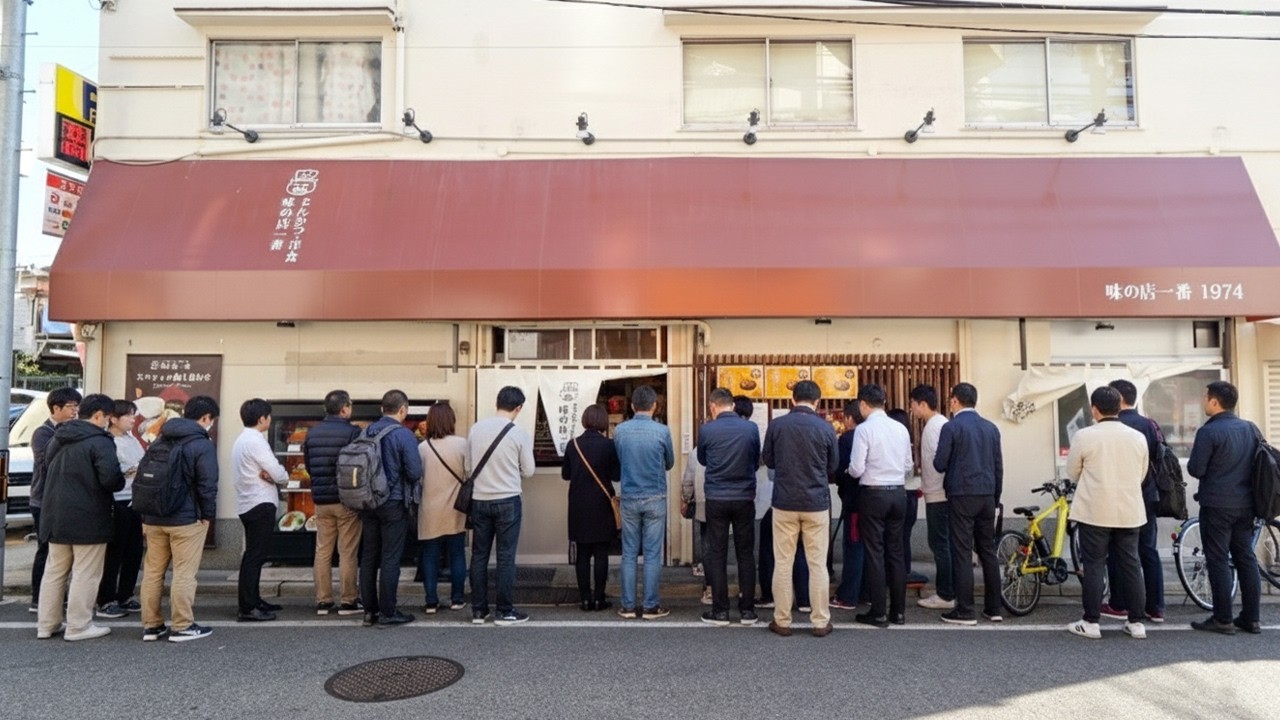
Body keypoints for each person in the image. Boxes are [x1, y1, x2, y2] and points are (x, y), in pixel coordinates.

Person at [35, 394, 125, 641]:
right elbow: (110, 479)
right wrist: (122, 478)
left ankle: (46, 624)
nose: (108, 422)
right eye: (107, 417)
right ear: (98, 415)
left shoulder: (58, 437)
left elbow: (46, 468)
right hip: (89, 516)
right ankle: (78, 625)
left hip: (54, 514)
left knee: (54, 571)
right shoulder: (101, 441)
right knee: (86, 572)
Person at [1064, 386, 1150, 640]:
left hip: (1095, 509)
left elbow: (1073, 471)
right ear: (1120, 406)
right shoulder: (1136, 437)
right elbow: (1142, 473)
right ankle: (1137, 622)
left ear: (1094, 409)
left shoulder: (1085, 436)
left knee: (1093, 565)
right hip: (1129, 509)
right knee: (1132, 564)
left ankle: (1091, 622)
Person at [762, 380, 839, 637]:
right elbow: (833, 466)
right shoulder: (826, 428)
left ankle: (782, 620)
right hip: (816, 502)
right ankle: (820, 621)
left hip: (784, 502)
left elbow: (769, 460)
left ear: (792, 400)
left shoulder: (777, 425)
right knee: (817, 564)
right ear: (817, 402)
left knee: (783, 563)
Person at [139, 395, 220, 643]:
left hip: (153, 517)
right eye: (211, 420)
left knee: (153, 572)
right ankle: (182, 625)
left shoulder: (160, 438)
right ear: (206, 418)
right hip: (185, 519)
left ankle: (151, 625)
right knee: (184, 572)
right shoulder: (201, 444)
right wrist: (207, 515)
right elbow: (207, 485)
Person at [1187, 380, 1262, 635]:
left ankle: (1223, 618)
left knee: (1218, 559)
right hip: (1247, 504)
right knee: (1246, 558)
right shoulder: (1250, 428)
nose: (1203, 401)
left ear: (1214, 401)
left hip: (1217, 504)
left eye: (1205, 397)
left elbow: (1196, 469)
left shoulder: (1209, 432)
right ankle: (1251, 618)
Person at [933, 382, 1004, 626]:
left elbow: (940, 464)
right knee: (987, 550)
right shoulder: (991, 428)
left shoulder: (951, 427)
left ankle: (965, 609)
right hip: (987, 495)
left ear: (954, 401)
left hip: (962, 494)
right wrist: (995, 498)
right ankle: (994, 607)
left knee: (962, 551)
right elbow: (998, 467)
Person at [468, 386, 536, 626]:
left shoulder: (476, 429)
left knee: (479, 555)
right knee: (505, 556)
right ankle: (505, 610)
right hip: (507, 499)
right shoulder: (519, 434)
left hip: (479, 499)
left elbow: (468, 466)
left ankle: (478, 610)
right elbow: (528, 470)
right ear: (518, 408)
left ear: (497, 403)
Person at [1100, 379, 1166, 623]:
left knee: (1118, 552)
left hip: (1118, 497)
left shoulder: (1111, 425)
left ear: (1116, 398)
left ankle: (1120, 604)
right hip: (1147, 495)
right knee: (1148, 551)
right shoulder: (1149, 424)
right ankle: (1156, 607)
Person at [696, 388, 761, 627]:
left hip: (717, 498)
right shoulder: (751, 428)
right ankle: (747, 611)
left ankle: (720, 611)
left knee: (717, 553)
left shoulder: (706, 430)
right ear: (732, 405)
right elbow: (755, 461)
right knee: (745, 553)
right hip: (744, 497)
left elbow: (702, 459)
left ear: (713, 406)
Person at [359, 389, 423, 627]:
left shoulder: (365, 431)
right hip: (393, 502)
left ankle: (369, 612)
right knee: (390, 557)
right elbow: (415, 472)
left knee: (368, 557)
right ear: (403, 409)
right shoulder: (403, 435)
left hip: (366, 502)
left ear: (381, 409)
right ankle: (388, 612)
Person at [849, 384, 911, 628]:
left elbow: (856, 469)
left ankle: (878, 612)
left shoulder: (864, 430)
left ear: (864, 404)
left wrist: (848, 471)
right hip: (898, 493)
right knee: (895, 552)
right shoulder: (900, 429)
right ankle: (899, 612)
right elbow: (908, 464)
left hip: (873, 494)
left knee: (875, 553)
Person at [614, 385, 675, 620]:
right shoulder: (662, 431)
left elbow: (619, 459)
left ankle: (628, 606)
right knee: (652, 553)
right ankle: (650, 606)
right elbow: (669, 462)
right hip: (655, 497)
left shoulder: (620, 430)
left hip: (629, 496)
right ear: (654, 406)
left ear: (631, 406)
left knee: (629, 553)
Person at [303, 389, 363, 616]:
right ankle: (348, 601)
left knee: (323, 551)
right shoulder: (353, 432)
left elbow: (308, 466)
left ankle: (323, 601)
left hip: (320, 499)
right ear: (344, 408)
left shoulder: (312, 433)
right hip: (345, 500)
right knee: (347, 551)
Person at [233, 398, 289, 622]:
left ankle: (254, 600)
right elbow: (277, 472)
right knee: (255, 556)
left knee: (254, 555)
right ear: (261, 419)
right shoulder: (255, 441)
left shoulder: (241, 440)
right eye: (269, 416)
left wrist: (270, 474)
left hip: (248, 502)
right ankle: (248, 607)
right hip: (259, 503)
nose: (270, 419)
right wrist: (280, 477)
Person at [561, 404, 620, 611]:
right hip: (602, 504)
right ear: (603, 422)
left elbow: (566, 475)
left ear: (585, 420)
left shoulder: (573, 444)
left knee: (583, 554)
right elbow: (616, 475)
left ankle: (585, 599)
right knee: (601, 553)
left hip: (578, 504)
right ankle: (599, 597)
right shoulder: (609, 446)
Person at [28, 387, 82, 613]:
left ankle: (58, 595)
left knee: (61, 550)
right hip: (44, 500)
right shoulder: (43, 433)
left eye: (77, 407)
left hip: (65, 499)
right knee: (45, 548)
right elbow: (48, 462)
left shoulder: (71, 429)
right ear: (56, 408)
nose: (75, 412)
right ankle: (38, 598)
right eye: (71, 407)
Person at [94, 400, 146, 619]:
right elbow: (106, 473)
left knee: (134, 551)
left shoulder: (132, 439)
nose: (133, 420)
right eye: (128, 416)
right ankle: (106, 599)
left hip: (136, 500)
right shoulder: (108, 441)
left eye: (134, 416)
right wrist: (128, 472)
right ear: (113, 418)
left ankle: (125, 595)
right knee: (114, 552)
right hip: (117, 500)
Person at [418, 403, 470, 615]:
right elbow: (469, 473)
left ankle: (431, 601)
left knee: (430, 555)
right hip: (455, 507)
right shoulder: (462, 444)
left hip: (429, 508)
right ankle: (457, 599)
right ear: (451, 421)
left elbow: (417, 478)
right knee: (457, 553)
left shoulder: (422, 448)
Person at [910, 385, 954, 611]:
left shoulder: (936, 427)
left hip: (940, 495)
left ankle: (946, 594)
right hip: (937, 493)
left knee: (940, 544)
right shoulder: (940, 425)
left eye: (913, 404)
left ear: (923, 404)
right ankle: (949, 591)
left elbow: (941, 463)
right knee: (943, 543)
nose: (912, 408)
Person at [889, 408, 928, 586]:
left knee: (896, 536)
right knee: (904, 535)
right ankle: (904, 570)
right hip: (911, 494)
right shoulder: (910, 442)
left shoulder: (894, 442)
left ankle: (898, 572)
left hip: (900, 492)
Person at [831, 401, 864, 610]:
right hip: (878, 499)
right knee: (872, 547)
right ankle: (866, 592)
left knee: (854, 547)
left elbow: (840, 470)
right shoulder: (881, 432)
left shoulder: (848, 438)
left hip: (854, 501)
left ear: (850, 418)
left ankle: (848, 595)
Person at [679, 447, 710, 605]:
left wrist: (685, 498)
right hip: (731, 499)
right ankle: (742, 591)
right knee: (722, 545)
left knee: (707, 545)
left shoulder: (698, 451)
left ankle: (710, 588)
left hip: (704, 500)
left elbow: (689, 479)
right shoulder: (733, 442)